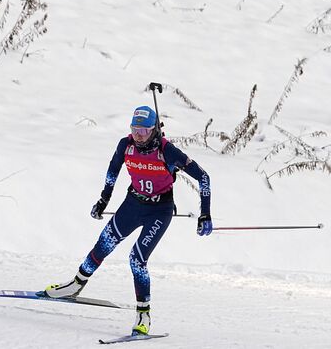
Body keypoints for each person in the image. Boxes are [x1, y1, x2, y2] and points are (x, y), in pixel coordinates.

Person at [42, 105, 212, 336]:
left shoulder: (167, 150)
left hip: (159, 211)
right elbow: (112, 172)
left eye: (144, 130)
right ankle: (75, 286)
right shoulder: (126, 145)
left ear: (154, 130)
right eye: (135, 129)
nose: (139, 135)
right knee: (103, 245)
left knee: (136, 259)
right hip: (133, 204)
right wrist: (103, 200)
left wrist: (205, 214)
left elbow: (203, 177)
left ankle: (143, 314)